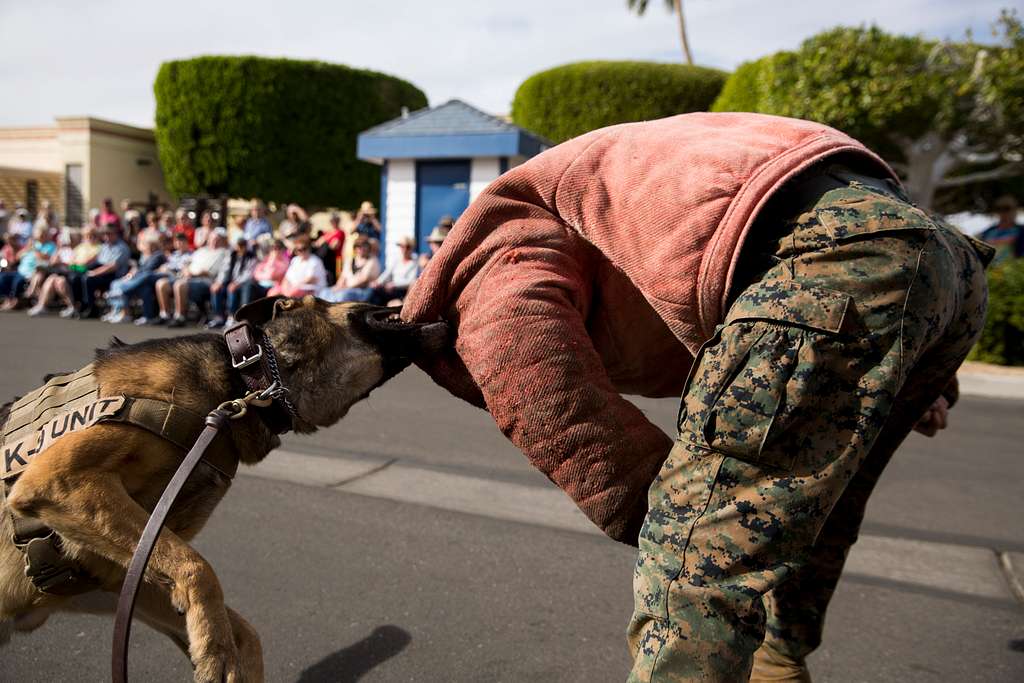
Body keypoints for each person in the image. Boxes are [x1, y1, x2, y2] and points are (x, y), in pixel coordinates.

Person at [400, 112, 993, 682]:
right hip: (942, 260)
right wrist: (923, 368)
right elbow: (881, 235)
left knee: (695, 572)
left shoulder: (487, 260)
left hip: (825, 257)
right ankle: (778, 662)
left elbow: (534, 379)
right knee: (817, 510)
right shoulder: (598, 177)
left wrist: (668, 515)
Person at [158, 229, 229, 327]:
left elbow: (209, 272)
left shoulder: (224, 253)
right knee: (162, 283)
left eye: (218, 239)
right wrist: (186, 270)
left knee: (180, 285)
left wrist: (193, 274)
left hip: (205, 281)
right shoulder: (201, 250)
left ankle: (180, 317)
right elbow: (187, 263)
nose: (214, 241)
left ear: (223, 241)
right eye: (212, 239)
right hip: (188, 277)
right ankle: (164, 315)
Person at [28, 227, 102, 317]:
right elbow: (71, 261)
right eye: (87, 236)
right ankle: (42, 306)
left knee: (58, 279)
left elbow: (84, 264)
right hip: (72, 271)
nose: (90, 238)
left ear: (97, 236)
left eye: (93, 235)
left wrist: (72, 264)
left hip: (81, 273)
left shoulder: (99, 248)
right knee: (54, 279)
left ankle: (71, 307)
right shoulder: (81, 247)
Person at [102, 233, 167, 323]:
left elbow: (148, 269)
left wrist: (136, 272)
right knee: (117, 283)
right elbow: (140, 268)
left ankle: (123, 291)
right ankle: (120, 312)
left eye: (147, 245)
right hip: (143, 283)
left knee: (146, 275)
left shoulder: (158, 255)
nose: (145, 247)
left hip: (153, 279)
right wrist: (133, 271)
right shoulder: (146, 256)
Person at [77, 224, 131, 318]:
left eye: (109, 234)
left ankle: (92, 308)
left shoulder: (122, 247)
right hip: (103, 271)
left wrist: (94, 273)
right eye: (104, 234)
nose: (106, 236)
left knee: (88, 279)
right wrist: (82, 267)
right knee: (76, 277)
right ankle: (81, 305)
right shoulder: (105, 246)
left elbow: (112, 267)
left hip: (114, 275)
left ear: (116, 234)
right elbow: (97, 261)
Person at [207, 234, 258, 329]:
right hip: (231, 281)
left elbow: (248, 274)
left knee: (232, 289)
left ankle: (231, 317)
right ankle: (219, 317)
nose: (240, 247)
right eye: (239, 245)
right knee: (217, 289)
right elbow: (224, 270)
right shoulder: (231, 256)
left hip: (242, 283)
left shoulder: (251, 257)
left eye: (242, 245)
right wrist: (219, 282)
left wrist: (236, 283)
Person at [0, 224, 56, 310]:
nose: (38, 237)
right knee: (3, 277)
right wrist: (26, 249)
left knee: (17, 281)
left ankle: (16, 301)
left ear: (45, 235)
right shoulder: (32, 245)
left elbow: (47, 258)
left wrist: (35, 249)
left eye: (41, 234)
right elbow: (17, 257)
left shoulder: (50, 245)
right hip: (20, 270)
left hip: (32, 272)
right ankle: (8, 299)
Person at [316, 236, 380, 302]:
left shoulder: (372, 260)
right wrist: (338, 286)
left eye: (364, 246)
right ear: (355, 248)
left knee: (342, 295)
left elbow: (363, 280)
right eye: (359, 247)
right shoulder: (349, 260)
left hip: (361, 290)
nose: (361, 249)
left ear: (368, 248)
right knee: (324, 292)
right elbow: (343, 276)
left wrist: (345, 287)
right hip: (346, 287)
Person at [269, 231, 326, 297]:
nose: (301, 251)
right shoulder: (295, 260)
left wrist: (294, 286)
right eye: (298, 249)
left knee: (291, 294)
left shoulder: (315, 261)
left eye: (304, 249)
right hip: (294, 287)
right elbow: (287, 277)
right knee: (272, 293)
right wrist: (284, 287)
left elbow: (311, 280)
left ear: (309, 248)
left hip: (310, 289)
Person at [370, 235, 418, 305]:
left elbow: (411, 280)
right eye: (402, 246)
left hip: (403, 291)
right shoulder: (397, 259)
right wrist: (378, 282)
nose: (404, 250)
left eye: (408, 247)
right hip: (391, 288)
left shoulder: (414, 262)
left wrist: (395, 285)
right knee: (374, 291)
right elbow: (387, 272)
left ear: (411, 248)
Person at [979, 194, 1023, 264]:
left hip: (1014, 270)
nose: (1003, 212)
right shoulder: (987, 232)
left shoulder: (1021, 231)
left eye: (1007, 208)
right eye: (999, 209)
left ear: (1015, 210)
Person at [314, 212, 346, 285]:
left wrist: (324, 241)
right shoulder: (328, 232)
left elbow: (334, 245)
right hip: (325, 260)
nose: (334, 222)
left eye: (336, 220)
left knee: (336, 278)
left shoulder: (340, 232)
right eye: (332, 220)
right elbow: (317, 243)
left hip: (336, 259)